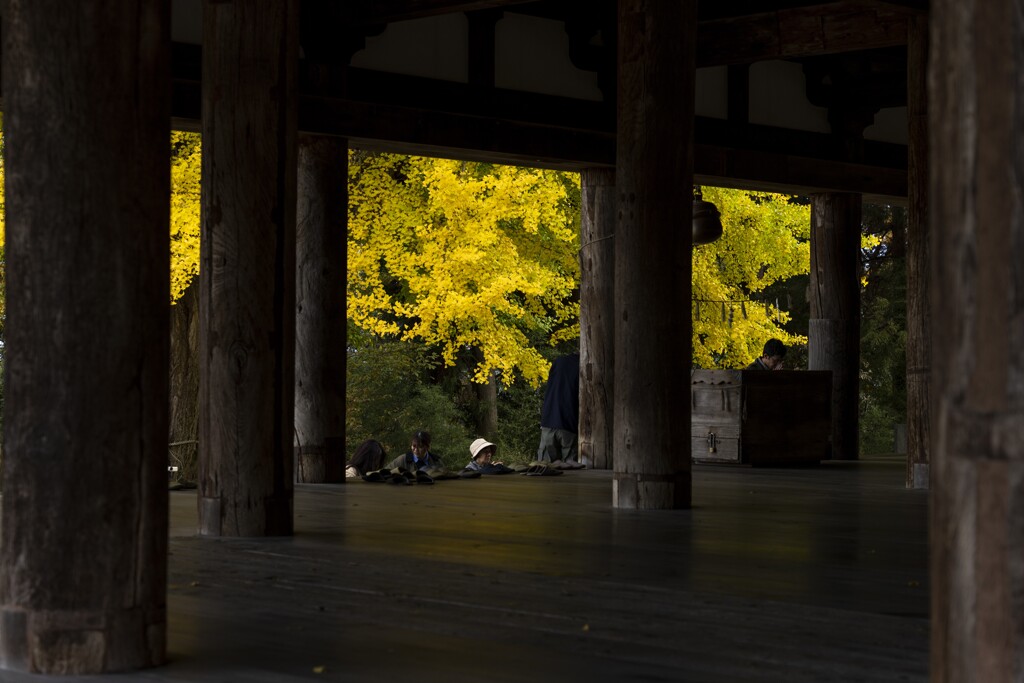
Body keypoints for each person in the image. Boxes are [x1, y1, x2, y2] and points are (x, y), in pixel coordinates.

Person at [537, 352, 580, 464]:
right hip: (569, 422)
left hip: (549, 420)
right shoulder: (584, 365)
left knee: (545, 467)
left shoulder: (559, 362)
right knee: (571, 467)